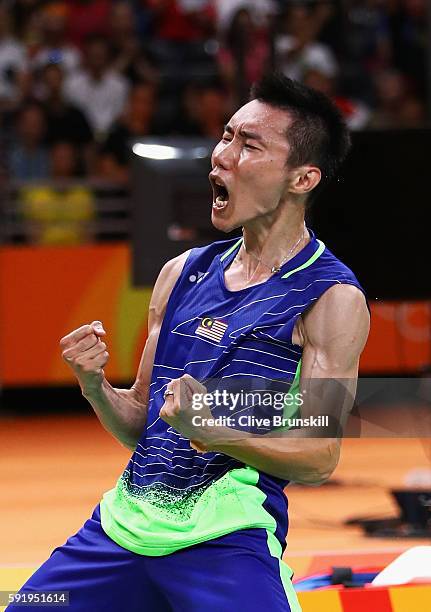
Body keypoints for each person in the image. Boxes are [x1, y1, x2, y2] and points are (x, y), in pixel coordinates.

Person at [7, 73, 370, 611]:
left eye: (249, 145)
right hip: (117, 533)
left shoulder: (329, 297)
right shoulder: (181, 275)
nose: (221, 155)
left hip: (225, 541)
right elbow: (140, 425)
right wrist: (94, 385)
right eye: (226, 136)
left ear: (302, 178)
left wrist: (214, 430)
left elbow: (317, 457)